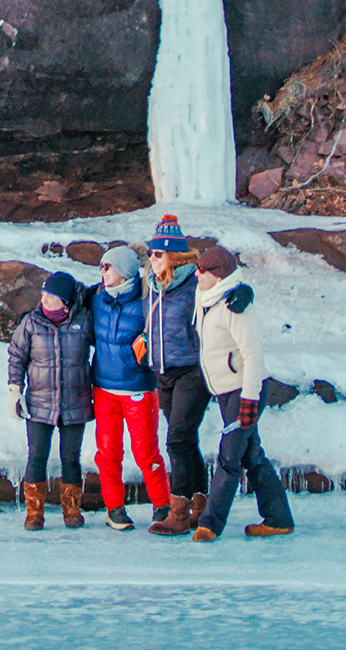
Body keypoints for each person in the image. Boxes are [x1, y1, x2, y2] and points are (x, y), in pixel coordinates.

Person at [191, 246, 294, 542]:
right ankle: (278, 518)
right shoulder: (207, 297)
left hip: (244, 391)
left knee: (229, 457)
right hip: (225, 392)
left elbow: (252, 355)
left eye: (203, 270)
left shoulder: (235, 306)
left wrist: (249, 399)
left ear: (218, 275)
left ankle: (210, 525)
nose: (197, 273)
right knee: (252, 456)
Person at [90, 246, 171, 531]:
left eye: (107, 267)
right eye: (101, 267)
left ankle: (162, 506)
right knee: (108, 452)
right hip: (104, 388)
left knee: (145, 451)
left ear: (124, 271)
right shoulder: (96, 298)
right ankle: (114, 508)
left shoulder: (148, 299)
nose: (102, 272)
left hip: (138, 388)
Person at [141, 215, 212, 536]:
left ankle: (179, 513)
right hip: (163, 373)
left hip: (192, 371)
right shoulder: (153, 286)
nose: (151, 259)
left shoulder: (195, 284)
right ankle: (201, 504)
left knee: (177, 441)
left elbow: (226, 290)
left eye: (157, 254)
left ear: (173, 255)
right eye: (150, 253)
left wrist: (243, 296)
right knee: (185, 440)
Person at [7, 271, 93, 531]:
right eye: (43, 294)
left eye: (51, 296)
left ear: (65, 301)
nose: (44, 299)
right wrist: (14, 389)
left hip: (75, 402)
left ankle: (72, 510)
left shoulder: (83, 321)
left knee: (71, 458)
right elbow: (16, 356)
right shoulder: (31, 324)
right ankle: (34, 512)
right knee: (37, 457)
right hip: (39, 403)